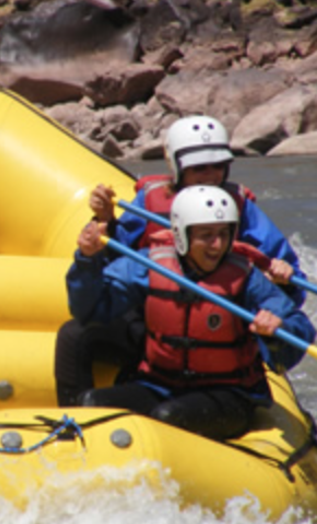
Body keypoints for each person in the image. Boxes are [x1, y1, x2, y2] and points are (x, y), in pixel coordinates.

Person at [54, 114, 306, 406]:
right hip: (150, 312)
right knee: (75, 334)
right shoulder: (150, 208)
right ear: (177, 166)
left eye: (217, 166)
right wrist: (105, 224)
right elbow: (118, 261)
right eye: (199, 168)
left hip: (219, 320)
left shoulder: (239, 214)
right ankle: (76, 421)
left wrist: (282, 283)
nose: (210, 175)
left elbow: (283, 293)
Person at [61, 185, 315, 439]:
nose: (217, 245)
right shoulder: (150, 263)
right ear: (182, 235)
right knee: (90, 403)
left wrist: (276, 330)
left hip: (230, 395)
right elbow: (90, 310)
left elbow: (299, 327)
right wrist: (87, 262)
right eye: (206, 235)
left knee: (168, 417)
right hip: (159, 385)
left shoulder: (247, 277)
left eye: (223, 234)